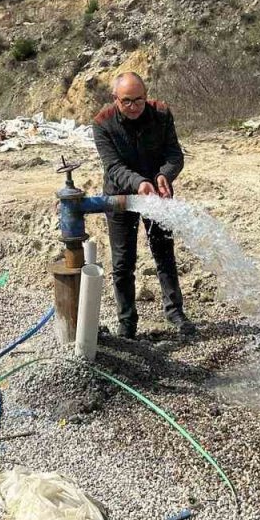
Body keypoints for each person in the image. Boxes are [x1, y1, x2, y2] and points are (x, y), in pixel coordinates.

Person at [92, 72, 197, 339]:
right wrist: (139, 183)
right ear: (115, 99)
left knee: (164, 253)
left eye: (139, 100)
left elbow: (174, 154)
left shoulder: (161, 113)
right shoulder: (102, 123)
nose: (134, 107)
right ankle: (127, 323)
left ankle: (175, 312)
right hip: (121, 197)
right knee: (123, 262)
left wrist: (165, 175)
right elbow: (113, 166)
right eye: (127, 101)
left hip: (157, 194)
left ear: (146, 96)